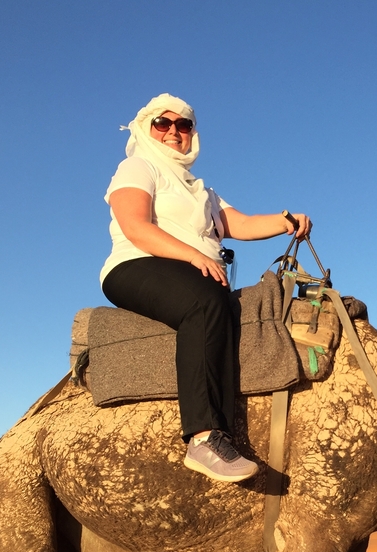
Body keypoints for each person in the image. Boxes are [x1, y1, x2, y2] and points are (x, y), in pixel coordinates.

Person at [100, 93, 312, 482]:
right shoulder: (138, 167)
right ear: (145, 128)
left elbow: (242, 225)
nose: (173, 131)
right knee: (205, 302)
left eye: (183, 125)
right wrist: (195, 257)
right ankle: (203, 437)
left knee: (236, 307)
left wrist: (285, 220)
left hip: (193, 272)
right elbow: (135, 226)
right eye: (162, 123)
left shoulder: (202, 191)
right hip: (136, 265)